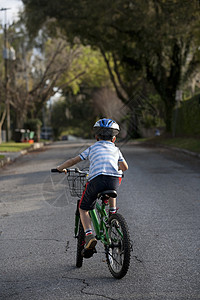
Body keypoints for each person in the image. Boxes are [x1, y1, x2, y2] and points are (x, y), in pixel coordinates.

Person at [56, 118, 128, 250]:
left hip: (96, 180)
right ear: (114, 139)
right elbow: (125, 167)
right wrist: (115, 168)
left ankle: (89, 236)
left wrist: (60, 168)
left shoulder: (92, 148)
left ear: (96, 137)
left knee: (83, 208)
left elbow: (73, 160)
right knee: (115, 177)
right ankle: (112, 213)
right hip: (113, 182)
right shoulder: (116, 150)